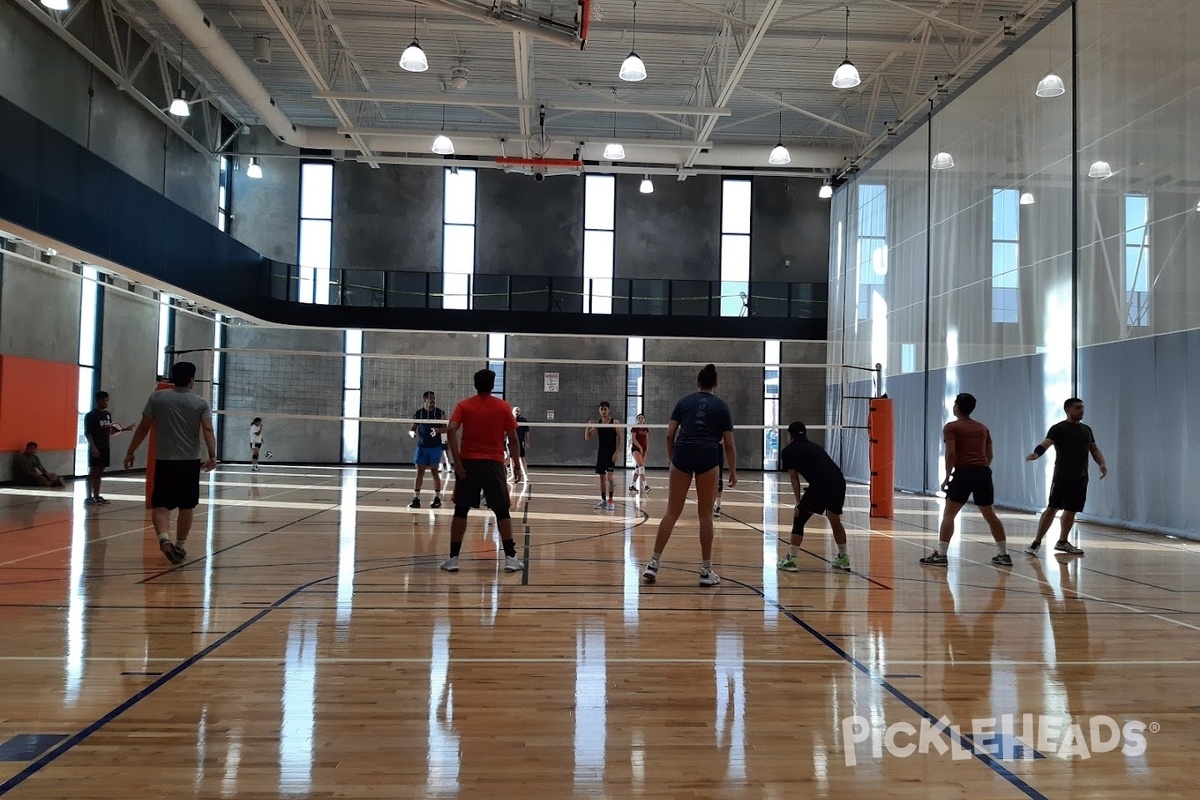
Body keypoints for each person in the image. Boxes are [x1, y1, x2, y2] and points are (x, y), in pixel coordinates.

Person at [642, 364, 736, 587]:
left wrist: (672, 458)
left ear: (697, 383)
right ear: (716, 384)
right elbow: (730, 445)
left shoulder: (683, 402)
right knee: (705, 515)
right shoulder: (721, 406)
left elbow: (669, 435)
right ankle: (706, 570)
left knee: (672, 513)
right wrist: (732, 471)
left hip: (682, 454)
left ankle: (653, 564)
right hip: (707, 456)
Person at [123, 361, 217, 565]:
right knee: (186, 506)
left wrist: (131, 451)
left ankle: (164, 539)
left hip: (164, 460)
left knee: (161, 505)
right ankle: (180, 546)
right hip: (189, 462)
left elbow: (143, 427)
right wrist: (212, 455)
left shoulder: (157, 398)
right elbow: (208, 430)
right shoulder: (200, 403)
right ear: (192, 380)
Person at [440, 369, 524, 573]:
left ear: (475, 384)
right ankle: (511, 559)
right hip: (493, 464)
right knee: (502, 511)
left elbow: (450, 429)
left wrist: (456, 462)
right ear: (492, 385)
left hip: (468, 463)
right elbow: (513, 439)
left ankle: (453, 559)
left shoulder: (464, 405)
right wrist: (515, 465)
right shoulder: (503, 407)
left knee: (461, 510)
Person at [920, 393, 1011, 567]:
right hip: (983, 473)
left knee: (949, 514)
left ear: (957, 407)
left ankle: (941, 556)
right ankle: (1004, 554)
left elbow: (951, 454)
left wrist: (947, 476)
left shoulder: (952, 427)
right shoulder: (983, 428)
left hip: (964, 473)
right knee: (990, 515)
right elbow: (989, 453)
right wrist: (982, 468)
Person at [1024, 397, 1108, 557]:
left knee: (1071, 510)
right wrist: (1036, 454)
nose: (1081, 410)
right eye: (1078, 408)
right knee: (1052, 508)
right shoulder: (1058, 429)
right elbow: (1045, 444)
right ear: (1067, 410)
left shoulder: (1087, 430)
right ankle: (1036, 542)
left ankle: (1062, 541)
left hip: (1081, 477)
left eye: (1082, 407)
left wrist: (1102, 463)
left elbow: (1094, 450)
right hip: (1062, 476)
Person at [776, 421, 851, 572]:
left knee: (799, 518)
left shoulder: (788, 451)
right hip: (838, 482)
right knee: (834, 519)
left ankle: (791, 559)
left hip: (820, 485)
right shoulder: (814, 446)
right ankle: (843, 558)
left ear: (790, 436)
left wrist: (798, 502)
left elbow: (794, 478)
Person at [84, 391, 131, 504]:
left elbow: (109, 430)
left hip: (105, 446)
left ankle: (97, 496)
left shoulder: (107, 415)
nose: (105, 402)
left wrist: (124, 429)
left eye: (107, 400)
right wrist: (93, 447)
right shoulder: (91, 415)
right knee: (93, 471)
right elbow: (88, 433)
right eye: (103, 400)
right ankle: (88, 497)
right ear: (97, 401)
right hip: (96, 447)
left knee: (100, 472)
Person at [409, 391, 446, 509]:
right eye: (430, 399)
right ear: (425, 400)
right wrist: (412, 434)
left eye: (434, 398)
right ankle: (416, 499)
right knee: (419, 472)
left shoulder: (440, 413)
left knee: (435, 472)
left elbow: (446, 429)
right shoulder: (419, 413)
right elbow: (412, 428)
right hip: (422, 447)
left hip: (435, 447)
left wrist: (439, 431)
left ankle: (437, 498)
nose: (433, 400)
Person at [584, 401, 622, 510]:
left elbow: (619, 438)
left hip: (611, 453)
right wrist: (588, 426)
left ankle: (611, 500)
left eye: (605, 409)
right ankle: (603, 500)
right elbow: (588, 437)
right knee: (601, 478)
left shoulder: (615, 422)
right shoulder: (598, 423)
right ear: (599, 410)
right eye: (601, 409)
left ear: (608, 410)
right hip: (601, 453)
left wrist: (616, 452)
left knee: (609, 477)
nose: (603, 411)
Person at [629, 413, 651, 494]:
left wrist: (646, 448)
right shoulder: (635, 428)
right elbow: (633, 439)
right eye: (639, 418)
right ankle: (645, 485)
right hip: (636, 449)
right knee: (641, 466)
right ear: (637, 420)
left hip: (644, 450)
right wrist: (640, 447)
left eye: (642, 418)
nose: (640, 419)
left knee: (638, 468)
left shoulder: (646, 428)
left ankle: (632, 485)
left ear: (644, 419)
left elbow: (647, 439)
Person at [511, 406, 530, 480]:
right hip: (511, 442)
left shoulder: (523, 420)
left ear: (520, 412)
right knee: (511, 459)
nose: (516, 412)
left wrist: (527, 443)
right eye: (515, 411)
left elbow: (527, 433)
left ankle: (525, 476)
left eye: (518, 411)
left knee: (522, 458)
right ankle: (513, 475)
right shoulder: (510, 419)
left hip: (520, 442)